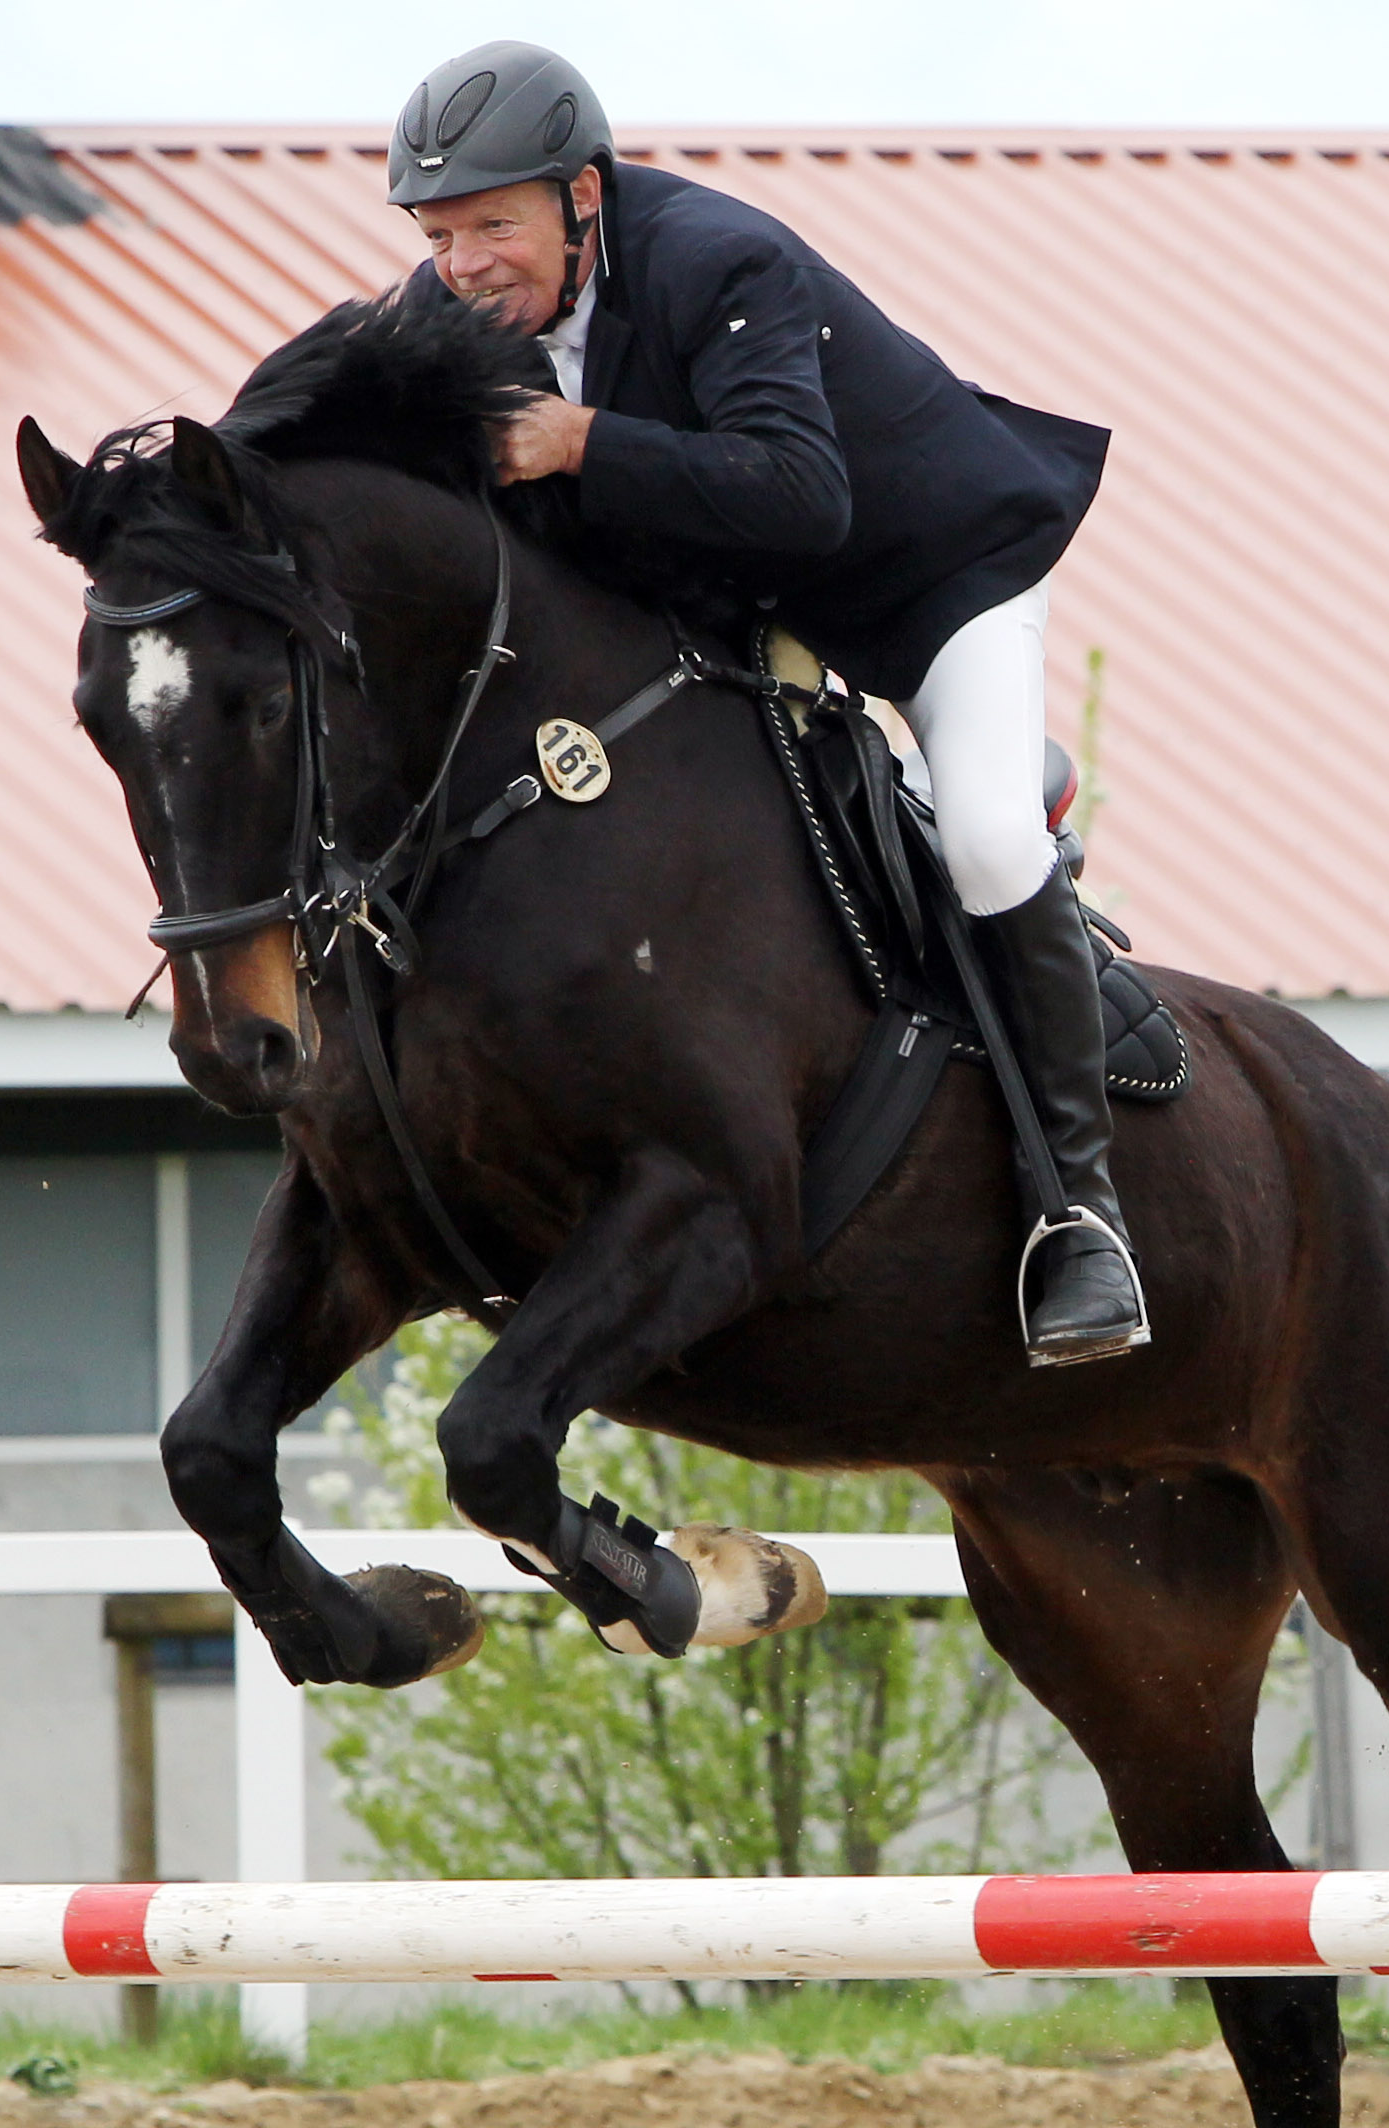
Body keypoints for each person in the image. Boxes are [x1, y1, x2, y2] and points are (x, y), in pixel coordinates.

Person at [388, 42, 1144, 1365]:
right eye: (437, 233)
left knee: (979, 838)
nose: (462, 264)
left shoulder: (717, 262)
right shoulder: (448, 307)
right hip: (738, 598)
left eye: (490, 226)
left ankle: (1080, 1214)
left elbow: (805, 495)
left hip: (929, 580)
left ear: (582, 196)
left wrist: (582, 444)